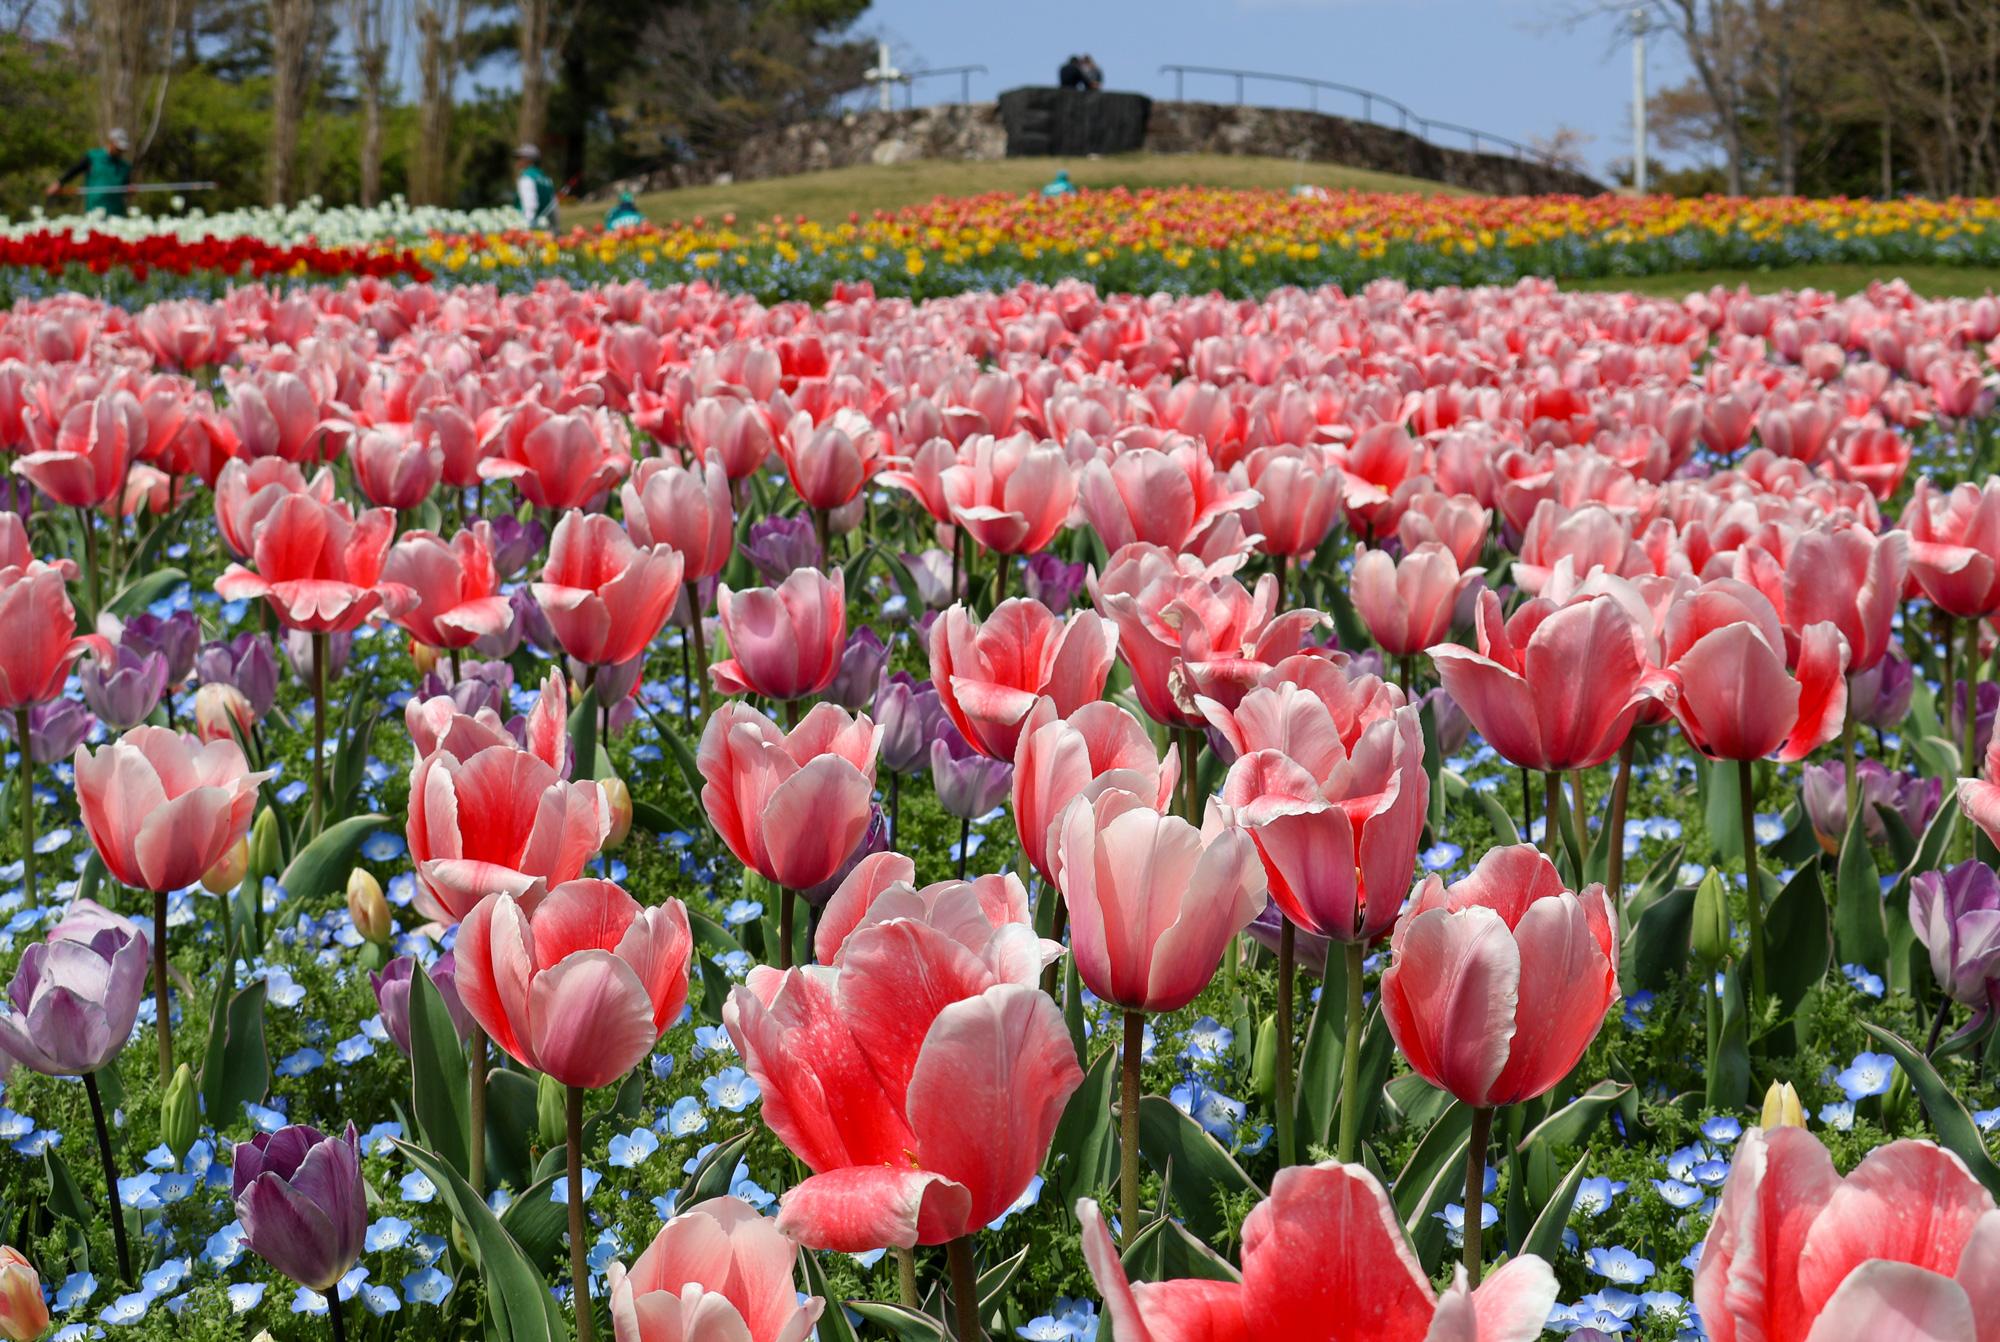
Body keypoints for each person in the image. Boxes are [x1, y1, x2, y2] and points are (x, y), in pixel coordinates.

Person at [46, 128, 134, 217]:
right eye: (118, 148)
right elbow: (74, 170)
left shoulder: (125, 166)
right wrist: (59, 183)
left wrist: (130, 190)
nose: (121, 151)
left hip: (117, 212)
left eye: (122, 149)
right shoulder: (93, 157)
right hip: (95, 210)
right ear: (111, 142)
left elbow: (126, 187)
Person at [515, 144, 558, 230]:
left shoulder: (527, 177)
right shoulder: (546, 178)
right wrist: (555, 228)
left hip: (532, 227)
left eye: (519, 158)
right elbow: (554, 206)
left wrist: (528, 227)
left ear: (528, 160)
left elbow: (530, 205)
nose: (517, 161)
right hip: (545, 227)